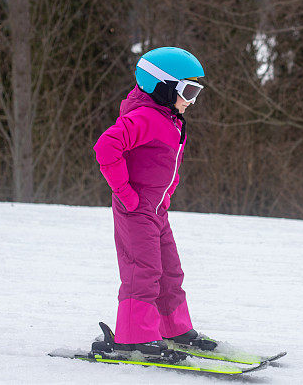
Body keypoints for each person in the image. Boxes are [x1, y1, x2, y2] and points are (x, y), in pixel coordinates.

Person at [92, 46, 217, 358]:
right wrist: (125, 193)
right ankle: (134, 337)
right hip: (136, 209)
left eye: (196, 91)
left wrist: (166, 197)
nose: (191, 100)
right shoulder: (145, 117)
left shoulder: (170, 119)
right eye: (188, 90)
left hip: (156, 209)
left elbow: (165, 164)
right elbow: (106, 147)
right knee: (143, 271)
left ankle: (173, 328)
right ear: (162, 87)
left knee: (170, 272)